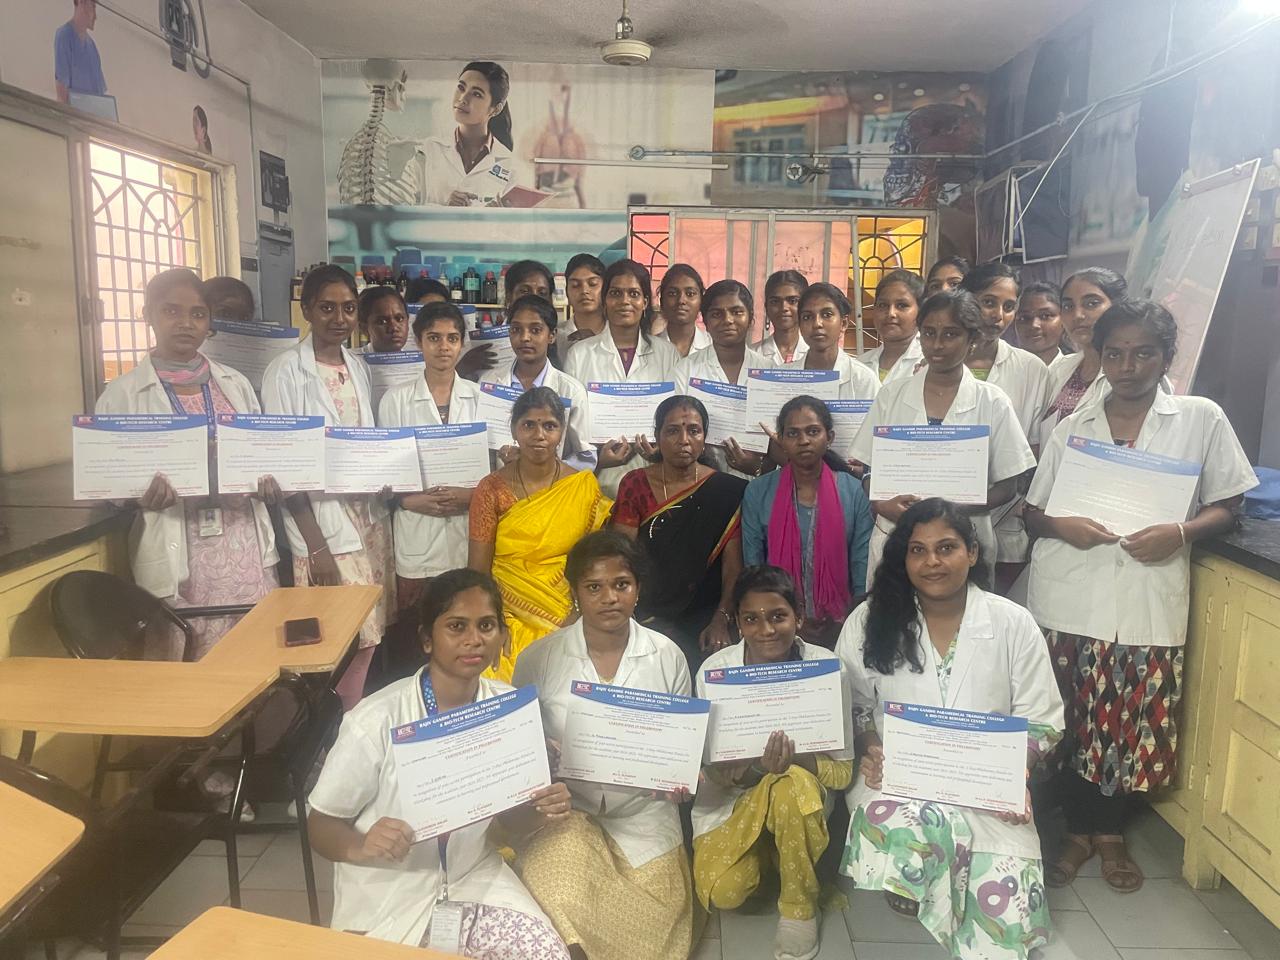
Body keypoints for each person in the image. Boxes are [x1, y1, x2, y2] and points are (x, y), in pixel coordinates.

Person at [1025, 300, 1257, 893]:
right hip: (1069, 597)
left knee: (1124, 722)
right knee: (1069, 719)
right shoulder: (1074, 425)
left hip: (1145, 596)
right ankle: (1079, 832)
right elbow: (1032, 514)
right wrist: (1062, 526)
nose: (1128, 367)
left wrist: (1181, 531)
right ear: (1099, 356)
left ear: (1166, 356)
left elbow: (1229, 505)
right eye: (1116, 354)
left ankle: (1107, 833)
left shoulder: (1199, 418)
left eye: (1143, 353)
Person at [837, 498, 1064, 960]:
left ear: (972, 552)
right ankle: (917, 876)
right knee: (905, 828)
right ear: (903, 559)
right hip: (899, 777)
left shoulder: (1012, 622)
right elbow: (855, 703)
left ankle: (936, 883)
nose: (932, 562)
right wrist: (871, 745)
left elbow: (1042, 717)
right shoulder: (869, 619)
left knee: (1007, 924)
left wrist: (1014, 775)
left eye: (946, 548)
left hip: (986, 783)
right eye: (917, 550)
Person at [307, 569, 572, 954]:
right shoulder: (376, 719)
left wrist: (541, 809)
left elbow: (511, 822)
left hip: (473, 879)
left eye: (486, 625)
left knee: (545, 953)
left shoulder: (508, 710)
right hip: (389, 893)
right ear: (427, 639)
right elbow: (320, 825)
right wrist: (362, 845)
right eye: (456, 626)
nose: (474, 639)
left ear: (502, 635)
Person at [512, 532, 696, 960]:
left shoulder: (667, 656)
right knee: (561, 896)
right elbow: (521, 748)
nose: (609, 598)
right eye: (594, 586)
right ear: (575, 592)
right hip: (568, 813)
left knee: (660, 927)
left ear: (638, 588)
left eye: (621, 584)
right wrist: (543, 754)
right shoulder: (538, 659)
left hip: (645, 815)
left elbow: (682, 751)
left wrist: (680, 782)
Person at [96, 267, 279, 661]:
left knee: (255, 658)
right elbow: (108, 481)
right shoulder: (122, 395)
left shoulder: (234, 384)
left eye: (197, 314)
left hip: (243, 546)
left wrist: (270, 481)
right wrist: (136, 497)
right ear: (148, 315)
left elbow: (260, 452)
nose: (185, 323)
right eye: (171, 311)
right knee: (189, 662)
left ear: (209, 322)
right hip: (180, 554)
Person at [693, 566, 853, 960]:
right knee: (725, 893)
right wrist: (758, 769)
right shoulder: (715, 673)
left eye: (778, 616)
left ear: (798, 617)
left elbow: (842, 774)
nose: (766, 629)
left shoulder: (827, 669)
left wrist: (797, 758)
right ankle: (777, 856)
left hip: (800, 801)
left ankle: (799, 908)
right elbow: (714, 775)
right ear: (738, 623)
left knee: (789, 783)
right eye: (751, 619)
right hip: (735, 804)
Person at [262, 265, 393, 708]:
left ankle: (347, 722)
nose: (339, 318)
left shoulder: (357, 367)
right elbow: (285, 464)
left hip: (367, 519)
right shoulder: (285, 372)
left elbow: (364, 441)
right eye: (327, 308)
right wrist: (316, 545)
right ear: (306, 310)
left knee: (369, 632)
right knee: (340, 638)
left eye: (349, 308)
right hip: (321, 523)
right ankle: (331, 725)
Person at [850, 290, 1035, 588]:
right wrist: (882, 504)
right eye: (929, 333)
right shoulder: (891, 394)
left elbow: (1008, 487)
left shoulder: (992, 401)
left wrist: (952, 510)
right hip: (897, 535)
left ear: (972, 339)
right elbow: (868, 471)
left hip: (963, 541)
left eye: (950, 334)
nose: (937, 344)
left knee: (961, 614)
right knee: (892, 611)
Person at [468, 388, 610, 681]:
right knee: (502, 673)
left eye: (549, 426)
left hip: (568, 606)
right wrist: (492, 622)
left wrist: (579, 612)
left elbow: (592, 564)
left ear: (561, 432)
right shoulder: (491, 488)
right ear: (514, 430)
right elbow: (478, 571)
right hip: (505, 606)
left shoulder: (582, 486)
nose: (539, 435)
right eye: (529, 425)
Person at [378, 302, 480, 677]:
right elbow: (384, 473)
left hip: (466, 530)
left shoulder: (480, 398)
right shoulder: (395, 400)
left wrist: (471, 497)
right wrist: (410, 500)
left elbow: (498, 472)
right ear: (419, 342)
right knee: (414, 636)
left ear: (462, 344)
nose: (443, 347)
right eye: (433, 338)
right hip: (416, 532)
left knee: (463, 632)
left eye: (452, 338)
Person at [611, 395, 746, 668]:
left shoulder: (729, 490)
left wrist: (721, 619)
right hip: (646, 612)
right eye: (672, 431)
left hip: (704, 613)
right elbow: (621, 556)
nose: (684, 440)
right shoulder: (636, 483)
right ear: (658, 437)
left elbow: (733, 566)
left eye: (693, 431)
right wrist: (628, 616)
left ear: (704, 438)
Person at [742, 397, 873, 648]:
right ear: (781, 440)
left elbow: (861, 565)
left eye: (813, 431)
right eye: (793, 433)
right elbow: (754, 568)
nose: (803, 441)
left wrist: (849, 622)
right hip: (777, 626)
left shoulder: (854, 491)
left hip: (841, 625)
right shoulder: (758, 492)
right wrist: (792, 621)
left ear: (829, 437)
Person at [566, 259, 682, 497]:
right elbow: (570, 424)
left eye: (634, 294)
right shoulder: (579, 354)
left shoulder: (667, 353)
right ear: (604, 301)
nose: (624, 301)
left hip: (655, 481)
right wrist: (597, 458)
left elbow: (677, 413)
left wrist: (660, 451)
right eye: (616, 293)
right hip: (597, 482)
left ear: (645, 302)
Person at [480, 295, 594, 471]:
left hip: (554, 486)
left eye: (535, 330)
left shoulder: (571, 390)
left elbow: (585, 457)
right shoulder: (489, 382)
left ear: (552, 335)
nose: (525, 337)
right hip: (501, 483)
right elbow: (481, 449)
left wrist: (544, 467)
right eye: (516, 329)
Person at [678, 279, 770, 478]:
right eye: (717, 314)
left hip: (757, 482)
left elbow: (780, 437)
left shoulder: (769, 371)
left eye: (737, 312)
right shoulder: (686, 370)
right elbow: (677, 428)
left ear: (751, 319)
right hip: (700, 481)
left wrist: (758, 467)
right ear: (705, 322)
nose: (728, 320)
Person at [1038, 267, 1129, 449]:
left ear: (1118, 307)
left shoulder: (1133, 375)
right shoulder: (1058, 368)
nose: (1077, 315)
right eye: (1068, 306)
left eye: (1091, 304)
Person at [959, 263, 1050, 438]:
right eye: (988, 302)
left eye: (1008, 307)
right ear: (965, 301)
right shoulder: (933, 361)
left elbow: (1033, 443)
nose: (998, 315)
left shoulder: (1031, 369)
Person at [420, 62, 517, 206]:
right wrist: (445, 207)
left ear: (496, 109)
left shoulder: (509, 165)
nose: (463, 98)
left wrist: (497, 215)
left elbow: (512, 218)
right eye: (461, 87)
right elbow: (409, 208)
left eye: (477, 94)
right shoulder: (428, 150)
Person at [791, 283, 881, 402]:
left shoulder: (864, 380)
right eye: (807, 317)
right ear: (800, 325)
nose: (817, 323)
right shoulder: (783, 377)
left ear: (843, 323)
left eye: (827, 315)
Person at [857, 269, 924, 385]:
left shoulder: (929, 362)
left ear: (921, 311)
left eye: (902, 305)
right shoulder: (860, 364)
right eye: (883, 305)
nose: (891, 313)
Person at [653, 264, 711, 357]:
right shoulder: (647, 350)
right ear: (661, 301)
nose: (681, 300)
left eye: (690, 294)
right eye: (672, 293)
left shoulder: (713, 347)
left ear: (701, 301)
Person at [54, 0, 106, 103]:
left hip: (91, 111)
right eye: (93, 6)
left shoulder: (92, 47)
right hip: (73, 111)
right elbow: (62, 95)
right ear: (81, 2)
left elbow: (100, 96)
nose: (95, 16)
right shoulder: (64, 36)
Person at [558, 253, 606, 362]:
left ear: (606, 288)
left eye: (593, 284)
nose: (584, 291)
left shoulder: (618, 334)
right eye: (575, 285)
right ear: (567, 292)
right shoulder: (555, 337)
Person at [754, 270, 809, 365]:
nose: (784, 308)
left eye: (792, 301)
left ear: (805, 306)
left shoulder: (815, 354)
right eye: (775, 301)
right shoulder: (752, 355)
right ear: (766, 307)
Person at [1013, 281, 1064, 365]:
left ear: (1064, 320)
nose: (1034, 325)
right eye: (1024, 318)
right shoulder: (1002, 370)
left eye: (1045, 316)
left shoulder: (1077, 369)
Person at [357, 285, 410, 353]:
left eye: (399, 319)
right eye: (382, 321)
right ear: (363, 328)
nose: (394, 328)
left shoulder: (419, 359)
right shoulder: (351, 359)